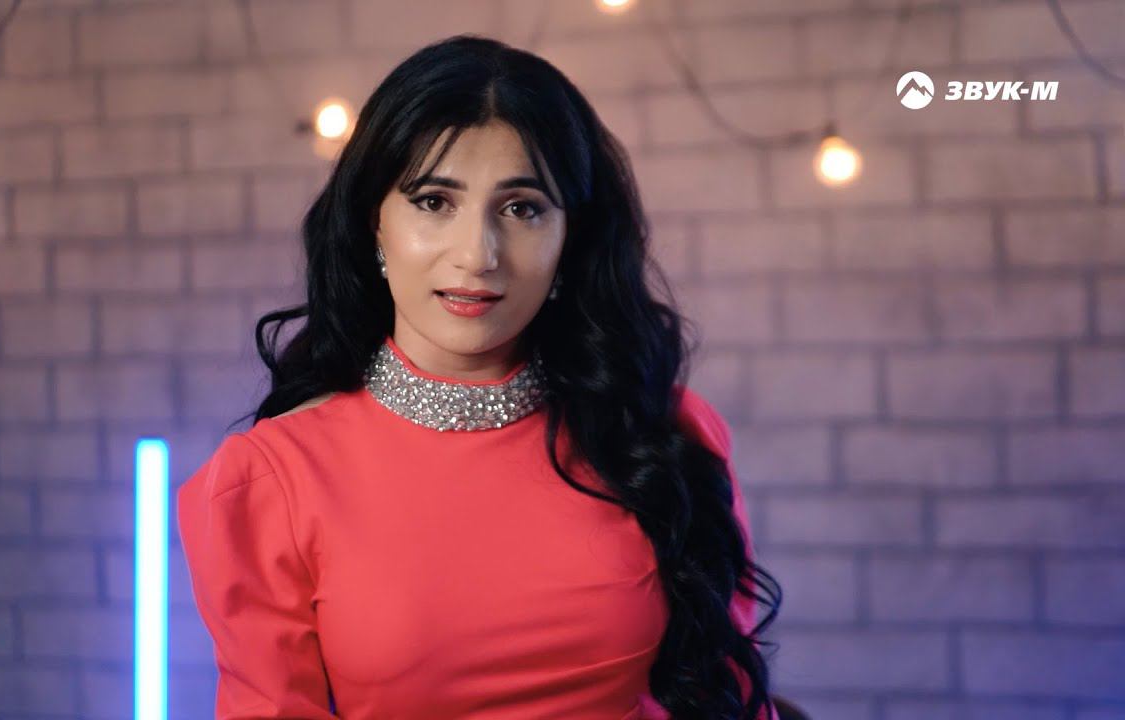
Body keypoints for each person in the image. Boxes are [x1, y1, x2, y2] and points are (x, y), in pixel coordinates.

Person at [177, 33, 782, 720]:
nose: (478, 254)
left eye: (522, 208)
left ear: (569, 240)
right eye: (435, 202)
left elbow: (731, 695)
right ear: (375, 224)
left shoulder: (661, 432)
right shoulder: (269, 480)